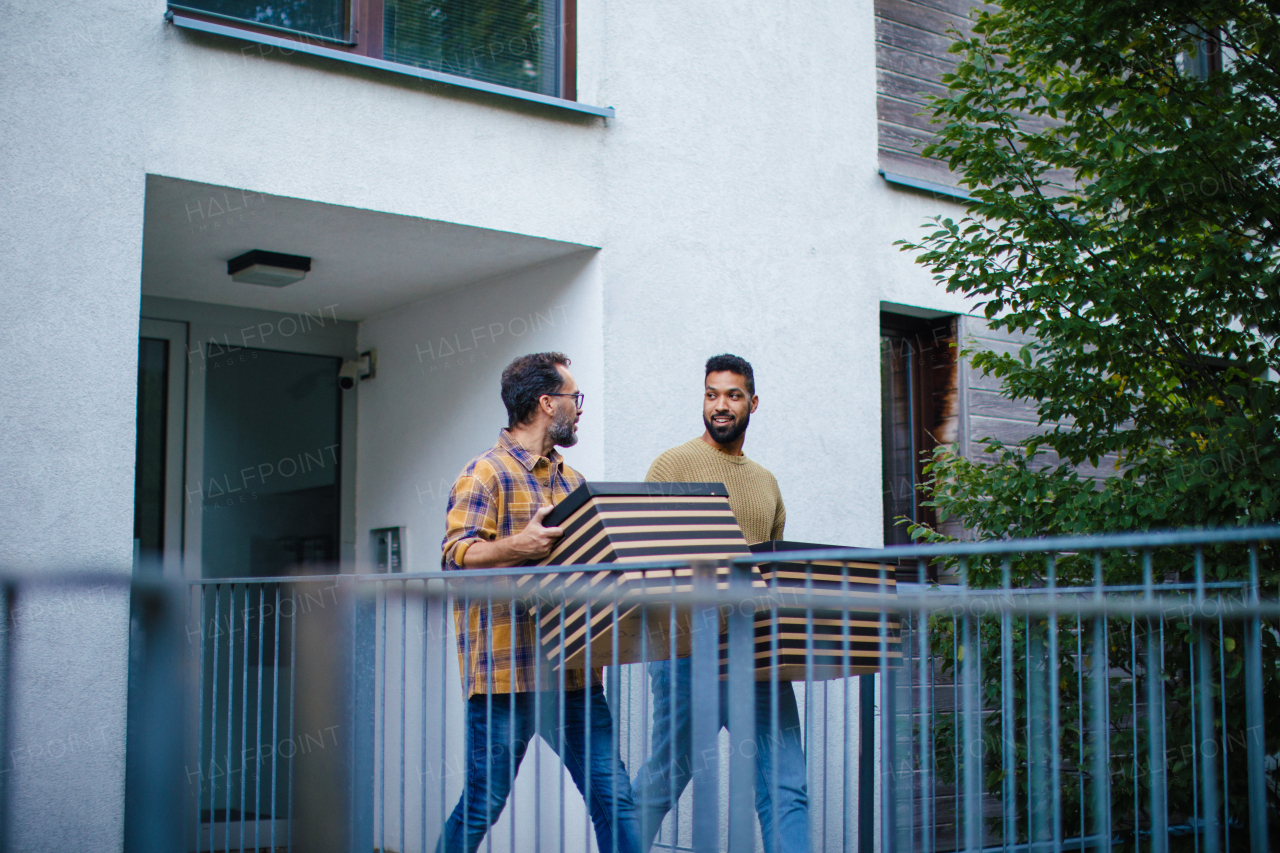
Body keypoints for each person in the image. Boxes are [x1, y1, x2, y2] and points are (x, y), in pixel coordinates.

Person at [436, 351, 640, 853]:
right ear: (548, 404)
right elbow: (454, 558)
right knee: (484, 802)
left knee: (615, 799)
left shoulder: (572, 482)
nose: (580, 408)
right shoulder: (484, 474)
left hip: (573, 675)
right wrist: (516, 548)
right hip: (506, 677)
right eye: (575, 397)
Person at [631, 353, 809, 853]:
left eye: (732, 395)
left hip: (758, 655)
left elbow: (770, 571)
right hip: (688, 652)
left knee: (786, 786)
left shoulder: (767, 482)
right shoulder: (673, 464)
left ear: (753, 403)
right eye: (711, 394)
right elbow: (644, 551)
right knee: (664, 780)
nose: (721, 406)